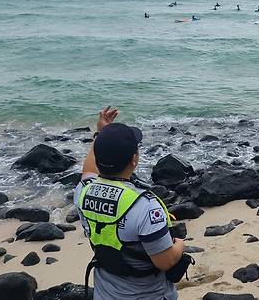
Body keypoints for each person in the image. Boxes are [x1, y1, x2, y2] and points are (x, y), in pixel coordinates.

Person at [75, 107, 185, 300]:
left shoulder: (83, 191)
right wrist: (180, 244)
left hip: (105, 293)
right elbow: (165, 262)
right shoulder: (145, 205)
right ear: (134, 159)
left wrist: (101, 135)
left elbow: (88, 170)